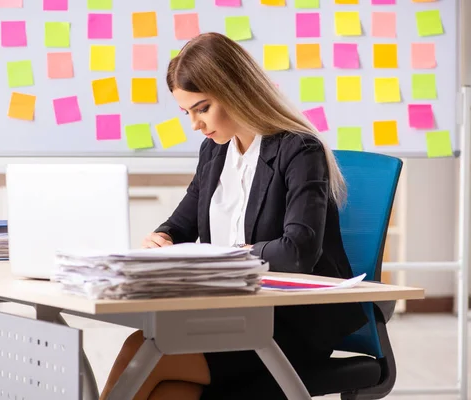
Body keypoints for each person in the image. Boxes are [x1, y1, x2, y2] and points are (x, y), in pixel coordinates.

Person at [99, 32, 368, 400]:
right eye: (187, 112)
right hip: (228, 316)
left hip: (288, 327)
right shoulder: (214, 152)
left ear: (235, 90)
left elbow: (297, 251)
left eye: (202, 108)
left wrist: (232, 256)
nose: (195, 124)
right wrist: (162, 239)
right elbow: (180, 224)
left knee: (146, 354)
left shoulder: (298, 149)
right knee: (166, 385)